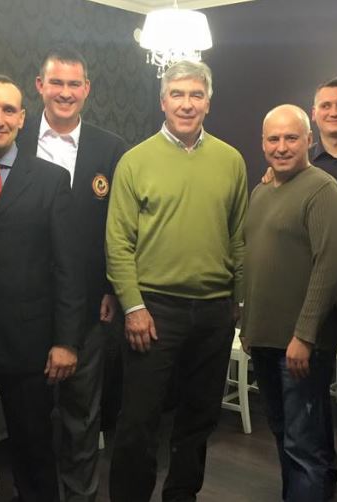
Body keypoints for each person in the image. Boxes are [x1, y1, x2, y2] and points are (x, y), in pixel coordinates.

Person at [0, 47, 128, 502]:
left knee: (73, 422)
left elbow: (119, 227)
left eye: (74, 84)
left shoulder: (110, 149)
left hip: (74, 308)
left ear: (86, 89)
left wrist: (109, 290)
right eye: (57, 83)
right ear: (40, 87)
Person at [105, 60, 248, 502]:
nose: (187, 104)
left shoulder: (231, 160)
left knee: (199, 419)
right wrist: (133, 307)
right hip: (153, 311)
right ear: (163, 101)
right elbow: (118, 244)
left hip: (214, 310)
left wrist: (239, 300)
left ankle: (182, 495)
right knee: (139, 421)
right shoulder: (135, 161)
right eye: (178, 95)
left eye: (196, 95)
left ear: (208, 102)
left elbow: (238, 238)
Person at [0, 74, 85, 502]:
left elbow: (68, 268)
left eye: (8, 110)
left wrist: (66, 342)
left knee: (34, 451)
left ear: (21, 118)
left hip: (29, 340)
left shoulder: (51, 180)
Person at [240, 104, 337, 501]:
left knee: (303, 444)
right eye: (274, 139)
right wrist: (249, 328)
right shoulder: (262, 191)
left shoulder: (322, 190)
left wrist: (304, 335)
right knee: (285, 434)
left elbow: (329, 268)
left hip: (301, 345)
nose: (282, 146)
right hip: (266, 340)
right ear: (262, 143)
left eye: (291, 138)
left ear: (309, 140)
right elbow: (253, 261)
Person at [263, 77, 337, 184]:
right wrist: (279, 173)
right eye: (325, 106)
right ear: (313, 113)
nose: (334, 113)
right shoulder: (296, 162)